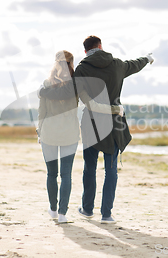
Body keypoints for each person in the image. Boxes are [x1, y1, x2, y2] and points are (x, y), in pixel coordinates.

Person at [40, 36, 154, 224]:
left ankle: (87, 209)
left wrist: (44, 92)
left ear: (85, 51)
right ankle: (107, 214)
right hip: (114, 125)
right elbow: (135, 64)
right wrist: (147, 59)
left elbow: (67, 91)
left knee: (90, 168)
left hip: (91, 125)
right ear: (101, 47)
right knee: (111, 170)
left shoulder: (83, 69)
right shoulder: (117, 65)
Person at [37, 50, 122, 224]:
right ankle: (62, 214)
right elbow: (93, 105)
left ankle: (52, 209)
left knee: (51, 174)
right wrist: (115, 109)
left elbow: (41, 113)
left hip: (49, 134)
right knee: (66, 174)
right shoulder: (76, 85)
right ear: (71, 64)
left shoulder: (46, 85)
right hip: (70, 134)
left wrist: (40, 132)